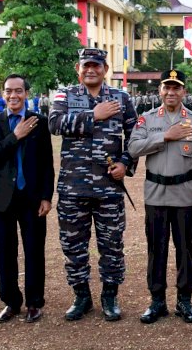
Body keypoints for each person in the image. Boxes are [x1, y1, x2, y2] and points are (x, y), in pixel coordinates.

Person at [49, 48, 138, 322]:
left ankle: (110, 297)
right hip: (73, 188)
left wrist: (125, 164)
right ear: (79, 68)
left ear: (105, 69)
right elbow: (54, 124)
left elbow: (135, 136)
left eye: (96, 66)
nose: (91, 70)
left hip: (109, 189)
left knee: (111, 245)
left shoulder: (121, 98)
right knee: (73, 246)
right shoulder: (65, 95)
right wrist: (93, 115)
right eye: (86, 65)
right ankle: (81, 297)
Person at [128, 69, 192, 324]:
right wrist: (164, 136)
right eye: (167, 87)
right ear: (160, 91)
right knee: (157, 249)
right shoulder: (147, 119)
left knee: (185, 249)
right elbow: (133, 148)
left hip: (185, 195)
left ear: (183, 91)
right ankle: (157, 301)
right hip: (155, 195)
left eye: (176, 88)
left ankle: (185, 300)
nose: (171, 92)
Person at [0, 74, 54, 324]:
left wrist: (47, 196)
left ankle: (35, 302)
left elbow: (47, 162)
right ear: (2, 94)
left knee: (34, 250)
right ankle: (11, 301)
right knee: (5, 251)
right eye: (8, 91)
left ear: (27, 93)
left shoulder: (39, 121)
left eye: (18, 91)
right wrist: (15, 135)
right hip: (4, 198)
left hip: (33, 197)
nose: (13, 96)